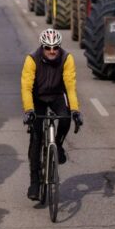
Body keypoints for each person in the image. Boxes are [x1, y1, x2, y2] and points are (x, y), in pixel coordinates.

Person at [21, 28, 83, 200]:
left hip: (56, 95)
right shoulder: (32, 59)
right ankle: (34, 182)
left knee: (65, 118)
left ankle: (58, 145)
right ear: (42, 47)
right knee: (36, 137)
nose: (52, 51)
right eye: (48, 48)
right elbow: (26, 87)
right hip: (38, 97)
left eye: (55, 47)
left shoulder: (66, 58)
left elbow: (70, 86)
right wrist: (29, 110)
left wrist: (76, 110)